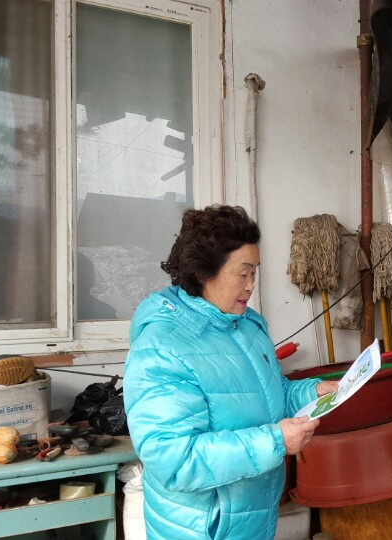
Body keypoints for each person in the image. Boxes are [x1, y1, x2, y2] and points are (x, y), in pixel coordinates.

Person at [124, 205, 338, 540]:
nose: (251, 286)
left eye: (255, 273)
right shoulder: (163, 346)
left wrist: (313, 392)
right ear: (204, 272)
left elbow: (269, 396)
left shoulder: (247, 326)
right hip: (202, 529)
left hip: (252, 520)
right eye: (243, 273)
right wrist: (275, 441)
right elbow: (173, 461)